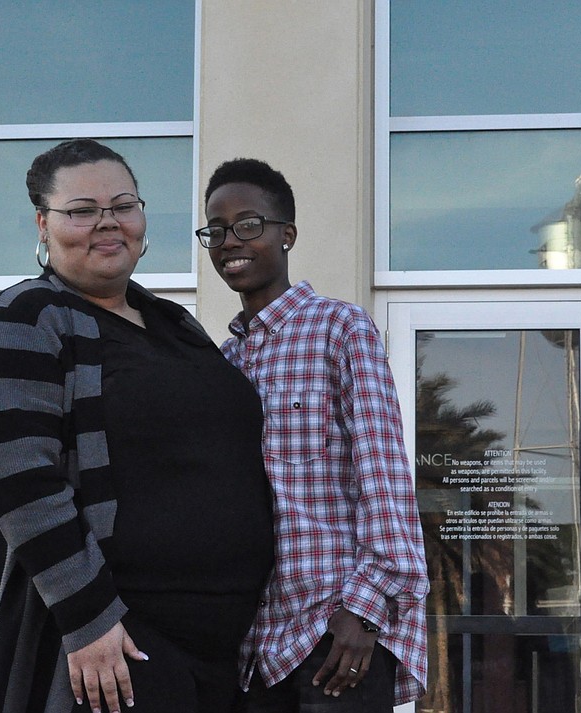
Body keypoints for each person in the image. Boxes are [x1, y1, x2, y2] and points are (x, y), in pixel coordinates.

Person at [0, 139, 274, 713]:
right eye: (81, 211)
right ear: (43, 225)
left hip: (224, 647)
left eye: (123, 206)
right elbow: (15, 474)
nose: (107, 223)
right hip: (115, 644)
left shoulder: (176, 324)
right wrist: (88, 617)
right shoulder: (21, 318)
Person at [198, 158, 429, 711]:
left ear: (287, 235)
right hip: (260, 646)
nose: (232, 241)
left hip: (336, 631)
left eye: (249, 224)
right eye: (218, 229)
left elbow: (384, 476)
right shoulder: (224, 361)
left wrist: (363, 611)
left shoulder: (340, 328)